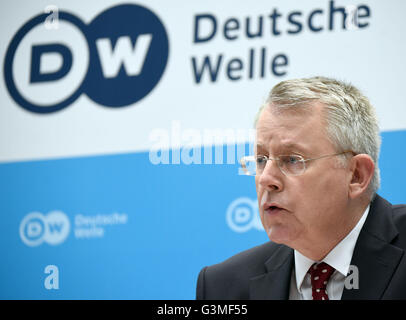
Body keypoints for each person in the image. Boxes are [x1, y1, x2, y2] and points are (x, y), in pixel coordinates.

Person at [196, 76, 406, 300]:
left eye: (292, 160)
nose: (266, 178)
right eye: (260, 159)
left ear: (356, 175)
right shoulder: (224, 286)